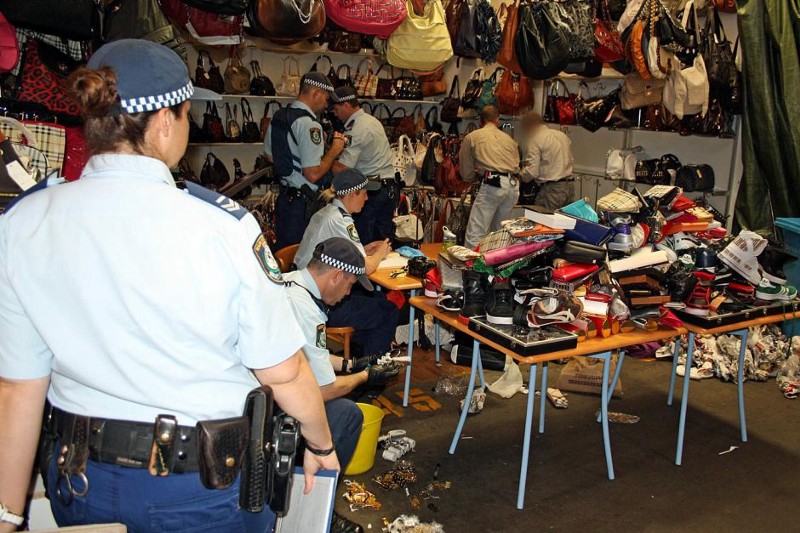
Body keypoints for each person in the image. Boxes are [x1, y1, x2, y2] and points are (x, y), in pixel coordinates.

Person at [0, 39, 338, 533]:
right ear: (164, 122)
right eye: (186, 114)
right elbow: (283, 372)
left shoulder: (25, 222)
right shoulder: (221, 226)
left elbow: (17, 390)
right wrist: (321, 445)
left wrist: (8, 515)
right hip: (196, 490)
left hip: (79, 483)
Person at [283, 237, 400, 463]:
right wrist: (365, 376)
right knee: (347, 413)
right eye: (349, 285)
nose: (348, 293)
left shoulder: (289, 282)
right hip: (275, 407)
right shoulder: (307, 310)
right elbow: (323, 390)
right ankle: (316, 485)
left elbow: (302, 353)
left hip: (255, 390)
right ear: (336, 276)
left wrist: (351, 364)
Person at [294, 169, 400, 357]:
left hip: (304, 290)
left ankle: (358, 357)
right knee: (388, 311)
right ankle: (371, 373)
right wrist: (382, 252)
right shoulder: (342, 220)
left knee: (375, 302)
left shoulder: (326, 212)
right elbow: (365, 268)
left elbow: (341, 252)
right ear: (353, 194)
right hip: (320, 300)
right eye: (365, 193)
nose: (367, 199)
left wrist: (364, 249)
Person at [264, 71, 347, 250]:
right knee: (306, 257)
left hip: (285, 199)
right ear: (316, 93)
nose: (327, 105)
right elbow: (313, 174)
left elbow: (270, 156)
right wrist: (334, 150)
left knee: (285, 254)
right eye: (326, 98)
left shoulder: (278, 116)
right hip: (304, 205)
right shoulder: (310, 125)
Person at [331, 86, 398, 244]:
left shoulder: (356, 129)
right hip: (388, 188)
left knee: (364, 244)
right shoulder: (372, 121)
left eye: (336, 108)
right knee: (382, 243)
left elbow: (342, 170)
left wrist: (329, 157)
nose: (334, 113)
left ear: (346, 105)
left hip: (372, 192)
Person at [458, 105, 521, 249]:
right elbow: (517, 163)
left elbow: (466, 172)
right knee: (500, 233)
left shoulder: (472, 137)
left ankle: (471, 266)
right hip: (513, 185)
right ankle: (496, 267)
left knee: (476, 230)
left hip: (492, 183)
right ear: (497, 120)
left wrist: (471, 177)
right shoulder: (510, 140)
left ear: (481, 120)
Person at [520, 111, 575, 211]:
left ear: (529, 126)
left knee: (543, 222)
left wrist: (520, 176)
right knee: (564, 223)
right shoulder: (562, 136)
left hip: (551, 189)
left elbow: (532, 172)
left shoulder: (535, 139)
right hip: (569, 185)